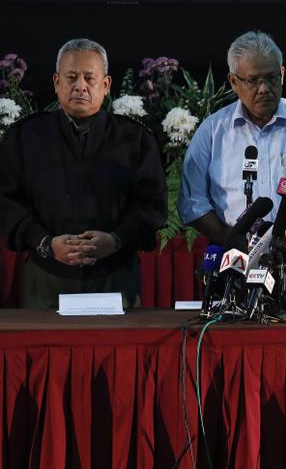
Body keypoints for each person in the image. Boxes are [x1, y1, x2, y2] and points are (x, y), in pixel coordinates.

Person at [0, 38, 167, 308]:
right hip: (45, 277)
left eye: (90, 78)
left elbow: (152, 207)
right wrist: (46, 243)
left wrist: (115, 240)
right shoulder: (23, 138)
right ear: (56, 82)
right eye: (71, 77)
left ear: (106, 85)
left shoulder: (135, 139)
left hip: (117, 278)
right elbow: (8, 204)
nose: (81, 86)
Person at [178, 30, 286, 244]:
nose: (264, 89)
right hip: (233, 255)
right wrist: (230, 238)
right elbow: (192, 202)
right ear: (233, 81)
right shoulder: (212, 131)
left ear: (282, 74)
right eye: (253, 81)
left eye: (271, 78)